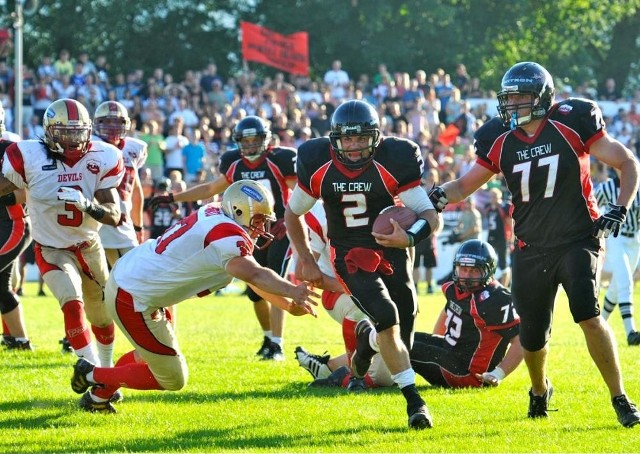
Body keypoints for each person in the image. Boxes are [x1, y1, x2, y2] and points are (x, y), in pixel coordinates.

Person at [427, 61, 640, 427]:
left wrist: (619, 208)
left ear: (542, 97)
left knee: (588, 315)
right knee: (532, 333)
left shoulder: (572, 120)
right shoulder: (499, 136)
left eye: (521, 97)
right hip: (530, 246)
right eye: (509, 98)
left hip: (578, 238)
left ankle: (620, 397)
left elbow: (626, 161)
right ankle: (540, 389)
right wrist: (430, 198)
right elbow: (462, 186)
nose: (513, 105)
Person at [69, 180, 318, 413]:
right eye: (259, 220)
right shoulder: (227, 235)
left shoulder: (215, 214)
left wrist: (287, 304)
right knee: (173, 377)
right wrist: (292, 290)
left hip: (135, 280)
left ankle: (97, 399)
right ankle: (91, 373)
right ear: (238, 211)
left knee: (148, 354)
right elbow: (254, 273)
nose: (262, 228)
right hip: (134, 294)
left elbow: (250, 277)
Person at [284, 99, 440, 429]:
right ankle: (415, 403)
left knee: (405, 330)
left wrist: (408, 239)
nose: (354, 147)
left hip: (390, 249)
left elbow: (428, 215)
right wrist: (306, 258)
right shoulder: (317, 163)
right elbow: (292, 212)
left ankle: (362, 351)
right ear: (335, 140)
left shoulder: (394, 159)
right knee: (386, 315)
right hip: (349, 254)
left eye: (361, 139)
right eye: (348, 139)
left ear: (376, 138)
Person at [148, 115, 297, 361]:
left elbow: (300, 192)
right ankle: (268, 338)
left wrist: (289, 218)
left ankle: (278, 344)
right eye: (245, 140)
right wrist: (172, 198)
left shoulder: (278, 161)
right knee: (255, 290)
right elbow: (209, 190)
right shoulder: (235, 164)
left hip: (279, 230)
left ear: (265, 139)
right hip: (250, 233)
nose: (249, 145)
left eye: (254, 139)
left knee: (276, 281)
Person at [0, 98, 124, 374]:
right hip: (51, 248)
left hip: (90, 245)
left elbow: (114, 216)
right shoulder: (30, 156)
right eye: (65, 132)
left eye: (78, 131)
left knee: (101, 316)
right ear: (49, 131)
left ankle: (106, 367)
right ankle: (93, 371)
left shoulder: (102, 156)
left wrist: (88, 205)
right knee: (71, 301)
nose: (73, 139)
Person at [294, 200, 393, 390]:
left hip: (382, 292)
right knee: (359, 306)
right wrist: (351, 287)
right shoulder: (319, 213)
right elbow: (302, 270)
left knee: (385, 377)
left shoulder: (383, 200)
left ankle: (327, 368)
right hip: (339, 293)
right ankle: (355, 375)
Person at [93, 101, 148, 268]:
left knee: (132, 275)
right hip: (95, 219)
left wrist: (138, 226)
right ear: (97, 123)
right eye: (107, 121)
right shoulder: (90, 146)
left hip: (123, 221)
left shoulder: (135, 148)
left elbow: (136, 190)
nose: (113, 127)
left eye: (118, 121)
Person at [0, 104, 33, 350]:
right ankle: (19, 341)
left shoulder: (9, 150)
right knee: (1, 288)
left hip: (14, 224)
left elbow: (24, 193)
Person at [595, 170, 640, 345]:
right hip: (615, 236)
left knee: (616, 286)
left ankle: (601, 325)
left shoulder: (637, 186)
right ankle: (631, 332)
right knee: (625, 281)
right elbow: (591, 204)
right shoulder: (607, 188)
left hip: (634, 240)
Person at [485, 187, 513, 287]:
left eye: (494, 196)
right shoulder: (488, 208)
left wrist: (511, 239)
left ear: (499, 196)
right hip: (491, 238)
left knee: (503, 264)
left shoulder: (503, 208)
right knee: (489, 263)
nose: (493, 198)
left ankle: (504, 287)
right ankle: (492, 286)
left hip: (502, 239)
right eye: (491, 196)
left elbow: (510, 224)